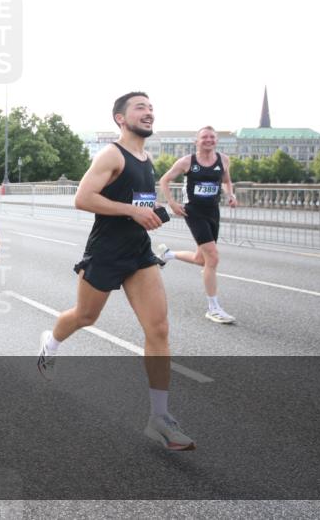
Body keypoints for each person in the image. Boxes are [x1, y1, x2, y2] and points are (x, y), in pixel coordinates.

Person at [36, 92, 195, 451]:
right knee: (85, 316)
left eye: (152, 108)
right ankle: (52, 341)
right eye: (141, 108)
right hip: (106, 252)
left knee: (159, 328)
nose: (149, 112)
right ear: (120, 118)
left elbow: (137, 203)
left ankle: (159, 417)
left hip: (138, 253)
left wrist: (156, 210)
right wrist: (132, 211)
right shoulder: (111, 154)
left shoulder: (147, 157)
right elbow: (83, 197)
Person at [156, 126, 238, 324]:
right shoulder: (187, 162)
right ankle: (213, 308)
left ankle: (168, 255)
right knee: (213, 257)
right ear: (197, 141)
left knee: (201, 259)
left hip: (213, 212)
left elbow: (226, 181)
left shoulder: (224, 160)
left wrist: (231, 194)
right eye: (204, 137)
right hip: (194, 212)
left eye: (212, 137)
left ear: (216, 140)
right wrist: (172, 203)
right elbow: (164, 180)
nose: (208, 140)